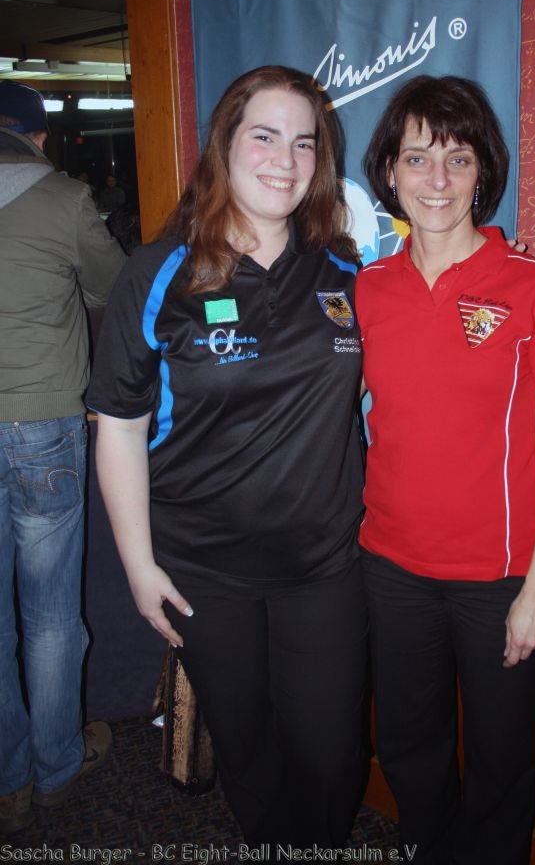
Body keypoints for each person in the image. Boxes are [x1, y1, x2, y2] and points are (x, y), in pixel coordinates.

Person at [88, 66, 369, 847]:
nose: (285, 159)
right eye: (264, 136)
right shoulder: (160, 271)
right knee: (246, 747)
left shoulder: (345, 271)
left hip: (324, 564)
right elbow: (118, 426)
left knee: (330, 751)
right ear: (225, 145)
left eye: (304, 143)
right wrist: (138, 567)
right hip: (203, 567)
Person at [356, 75, 535, 865]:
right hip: (389, 567)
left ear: (482, 173)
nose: (436, 179)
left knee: (501, 762)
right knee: (409, 747)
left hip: (500, 578)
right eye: (416, 158)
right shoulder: (366, 290)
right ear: (387, 170)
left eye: (456, 159)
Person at [0, 81, 126, 834]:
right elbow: (112, 286)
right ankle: (54, 768)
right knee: (49, 616)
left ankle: (7, 778)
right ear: (38, 137)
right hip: (43, 419)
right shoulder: (64, 199)